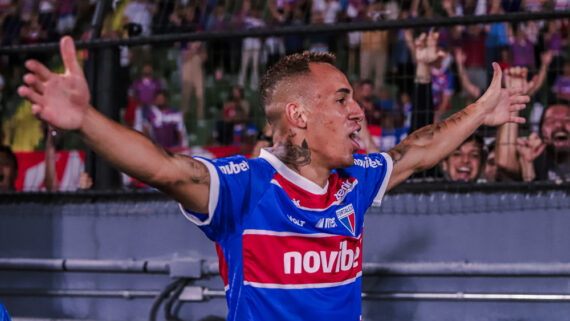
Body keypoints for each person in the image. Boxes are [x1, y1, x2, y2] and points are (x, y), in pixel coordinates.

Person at [18, 33, 528, 321]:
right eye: (342, 99)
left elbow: (415, 152)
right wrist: (86, 120)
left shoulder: (355, 182)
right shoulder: (246, 187)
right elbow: (163, 167)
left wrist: (482, 111)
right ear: (299, 116)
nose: (358, 113)